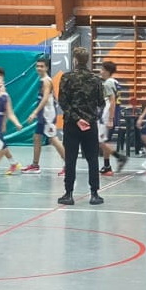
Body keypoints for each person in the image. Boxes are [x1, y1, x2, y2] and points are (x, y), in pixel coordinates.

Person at [57, 47, 105, 205]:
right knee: (92, 159)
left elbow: (63, 102)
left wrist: (77, 119)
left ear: (75, 60)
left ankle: (68, 193)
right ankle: (94, 194)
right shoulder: (96, 79)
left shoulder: (67, 78)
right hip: (90, 125)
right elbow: (101, 102)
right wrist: (90, 117)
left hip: (72, 124)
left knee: (70, 159)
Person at [22, 57, 65, 174]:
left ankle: (68, 165)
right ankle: (35, 165)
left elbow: (45, 98)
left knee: (53, 139)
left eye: (41, 66)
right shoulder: (42, 80)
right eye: (37, 66)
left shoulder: (46, 81)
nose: (39, 68)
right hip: (43, 114)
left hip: (47, 115)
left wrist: (34, 112)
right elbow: (52, 97)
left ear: (47, 68)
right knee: (37, 137)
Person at [97, 61, 128, 176]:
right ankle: (107, 166)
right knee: (105, 140)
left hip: (108, 114)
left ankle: (119, 157)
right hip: (114, 113)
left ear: (107, 71)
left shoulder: (108, 83)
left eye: (102, 69)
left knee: (100, 141)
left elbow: (112, 101)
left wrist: (110, 118)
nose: (100, 72)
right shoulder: (115, 82)